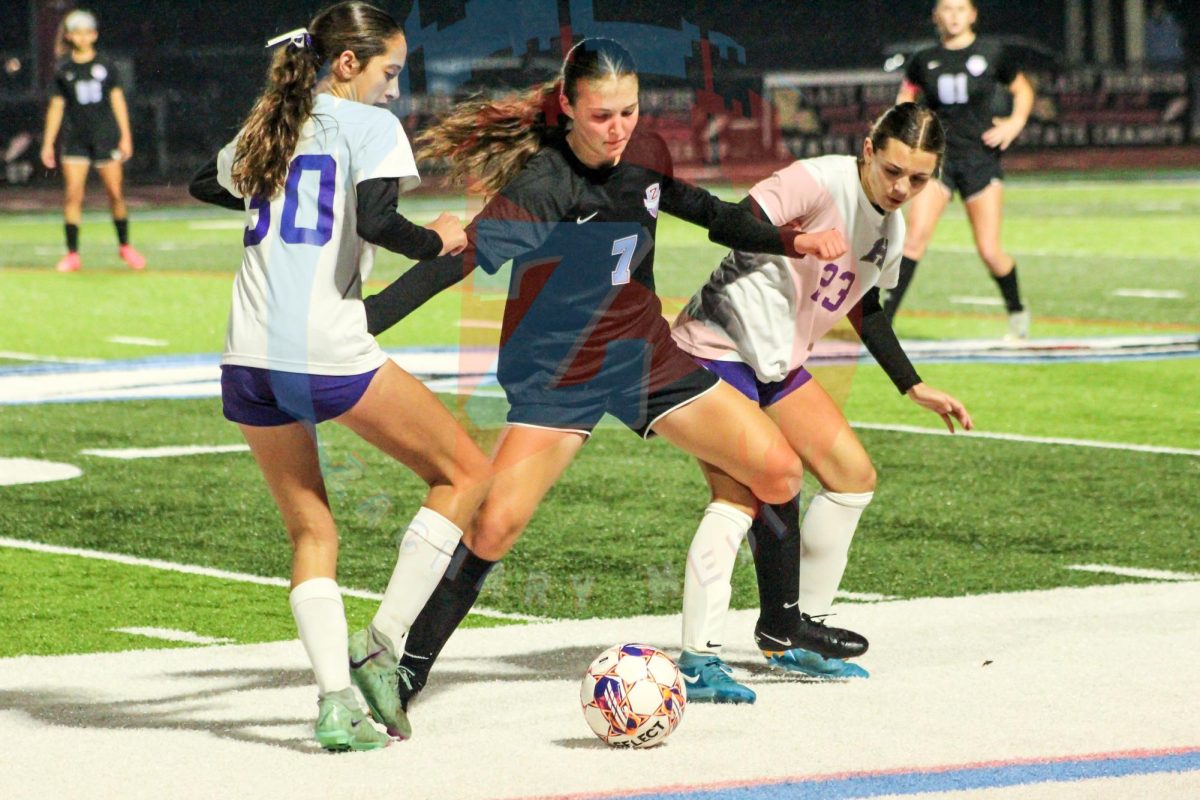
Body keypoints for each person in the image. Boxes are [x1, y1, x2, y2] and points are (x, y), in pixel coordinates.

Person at [360, 37, 814, 733]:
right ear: (567, 106)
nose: (619, 127)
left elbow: (709, 211)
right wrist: (365, 321)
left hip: (642, 358)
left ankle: (784, 636)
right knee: (494, 524)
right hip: (559, 371)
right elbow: (463, 261)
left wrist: (790, 240)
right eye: (602, 114)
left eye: (628, 111)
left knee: (779, 468)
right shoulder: (544, 184)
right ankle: (405, 672)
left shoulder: (647, 155)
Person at [187, 1, 492, 752]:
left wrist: (273, 186)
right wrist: (441, 240)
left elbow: (206, 181)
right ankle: (382, 643)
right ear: (348, 63)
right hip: (324, 350)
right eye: (390, 71)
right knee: (464, 474)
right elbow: (381, 218)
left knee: (311, 529)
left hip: (247, 356)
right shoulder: (370, 126)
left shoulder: (275, 123)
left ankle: (332, 706)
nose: (395, 88)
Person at [671, 103, 973, 700]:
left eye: (919, 179)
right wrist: (798, 239)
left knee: (852, 476)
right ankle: (696, 657)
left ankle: (796, 633)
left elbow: (865, 306)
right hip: (717, 343)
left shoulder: (892, 227)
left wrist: (910, 383)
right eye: (892, 171)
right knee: (742, 493)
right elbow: (731, 223)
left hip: (778, 360)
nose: (902, 188)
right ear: (868, 149)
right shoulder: (815, 180)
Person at [884, 0, 1034, 340]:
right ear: (937, 16)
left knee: (990, 251)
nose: (953, 16)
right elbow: (905, 97)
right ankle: (882, 325)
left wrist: (1014, 123)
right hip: (938, 161)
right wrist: (903, 131)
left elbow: (1022, 90)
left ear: (972, 15)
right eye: (947, 10)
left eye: (960, 9)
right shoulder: (924, 59)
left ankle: (1016, 311)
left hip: (981, 159)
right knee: (914, 240)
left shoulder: (992, 53)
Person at [40, 9, 145, 273]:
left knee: (115, 193)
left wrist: (125, 135)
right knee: (73, 195)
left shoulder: (106, 65)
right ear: (69, 36)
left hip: (105, 137)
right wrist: (48, 142)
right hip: (76, 140)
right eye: (77, 32)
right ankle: (73, 253)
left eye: (87, 32)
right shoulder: (63, 69)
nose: (83, 37)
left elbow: (117, 101)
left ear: (94, 35)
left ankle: (125, 246)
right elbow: (56, 107)